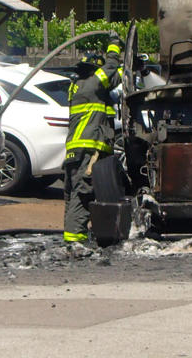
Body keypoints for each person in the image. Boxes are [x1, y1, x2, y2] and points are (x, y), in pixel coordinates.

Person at [63, 34, 124, 244]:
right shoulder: (94, 84)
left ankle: (74, 237)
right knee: (83, 195)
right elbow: (110, 68)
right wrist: (115, 46)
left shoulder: (80, 86)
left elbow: (115, 77)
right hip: (88, 149)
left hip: (77, 150)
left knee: (74, 196)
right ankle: (75, 243)